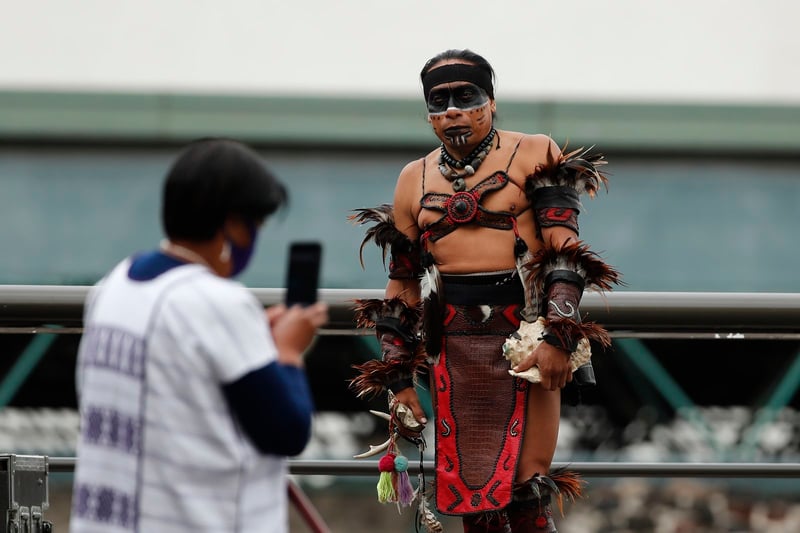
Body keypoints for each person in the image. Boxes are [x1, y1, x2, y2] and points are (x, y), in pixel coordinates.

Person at [350, 50, 620, 532]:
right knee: (473, 496)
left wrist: (558, 339)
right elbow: (402, 288)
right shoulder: (413, 178)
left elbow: (565, 253)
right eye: (440, 100)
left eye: (465, 96)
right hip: (451, 349)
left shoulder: (536, 151)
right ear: (428, 112)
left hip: (527, 339)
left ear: (491, 101)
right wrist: (398, 382)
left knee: (525, 492)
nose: (452, 110)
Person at [70, 138, 328, 533]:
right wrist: (289, 351)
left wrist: (255, 339)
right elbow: (287, 430)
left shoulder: (112, 284)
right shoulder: (219, 303)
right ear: (232, 224)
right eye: (255, 225)